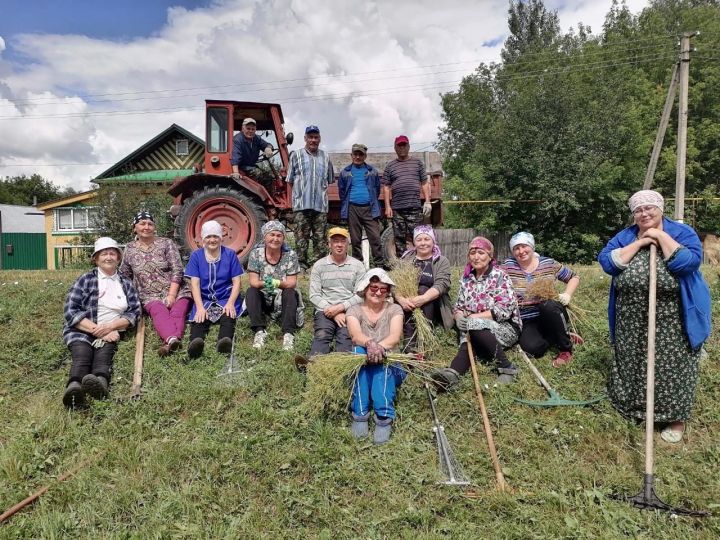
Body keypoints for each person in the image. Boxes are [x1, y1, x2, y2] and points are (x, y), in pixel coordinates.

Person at [598, 190, 711, 444]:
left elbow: (687, 263)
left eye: (649, 208)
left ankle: (675, 419)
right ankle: (637, 409)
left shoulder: (682, 233)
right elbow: (608, 263)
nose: (644, 213)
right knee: (633, 361)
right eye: (638, 210)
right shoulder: (626, 236)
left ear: (661, 209)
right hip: (631, 317)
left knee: (674, 367)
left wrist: (659, 236)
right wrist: (638, 243)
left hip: (674, 317)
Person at [431, 237, 521, 390]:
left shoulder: (499, 275)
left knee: (472, 326)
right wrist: (459, 318)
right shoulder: (467, 279)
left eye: (481, 252)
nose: (476, 256)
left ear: (490, 256)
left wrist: (474, 318)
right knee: (469, 333)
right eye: (472, 253)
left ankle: (508, 368)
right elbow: (459, 307)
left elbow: (505, 309)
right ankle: (453, 374)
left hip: (505, 327)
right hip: (473, 328)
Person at [62, 237, 141, 408]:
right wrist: (97, 329)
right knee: (82, 356)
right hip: (81, 329)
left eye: (112, 253)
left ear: (118, 258)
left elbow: (134, 311)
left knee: (104, 357)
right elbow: (70, 310)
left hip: (111, 331)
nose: (109, 257)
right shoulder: (85, 279)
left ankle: (100, 385)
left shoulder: (125, 283)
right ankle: (74, 389)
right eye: (104, 254)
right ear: (96, 258)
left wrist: (111, 327)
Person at [501, 231, 581, 367]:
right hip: (526, 319)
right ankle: (559, 335)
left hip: (551, 313)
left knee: (548, 305)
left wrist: (567, 294)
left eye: (524, 246)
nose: (521, 251)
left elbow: (574, 277)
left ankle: (565, 348)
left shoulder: (548, 263)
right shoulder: (508, 266)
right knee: (532, 349)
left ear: (532, 246)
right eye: (516, 248)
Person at [120, 211, 192, 357]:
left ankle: (169, 343)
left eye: (150, 224)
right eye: (142, 224)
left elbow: (177, 269)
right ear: (134, 228)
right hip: (149, 294)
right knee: (159, 311)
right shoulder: (129, 249)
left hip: (177, 289)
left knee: (178, 311)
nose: (146, 227)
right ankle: (173, 339)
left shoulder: (166, 243)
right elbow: (125, 276)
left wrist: (172, 295)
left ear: (154, 227)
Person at [346, 269, 405, 444]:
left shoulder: (394, 309)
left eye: (383, 289)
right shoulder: (354, 310)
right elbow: (356, 335)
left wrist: (379, 348)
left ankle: (383, 416)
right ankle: (360, 413)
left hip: (390, 361)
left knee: (383, 362)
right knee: (358, 353)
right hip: (363, 359)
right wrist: (370, 344)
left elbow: (394, 338)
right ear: (365, 288)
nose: (378, 292)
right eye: (373, 288)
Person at [184, 220, 243, 359]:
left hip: (225, 296)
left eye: (215, 236)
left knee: (228, 316)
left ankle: (224, 342)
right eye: (208, 237)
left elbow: (237, 281)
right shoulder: (196, 256)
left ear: (221, 238)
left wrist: (230, 303)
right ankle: (195, 343)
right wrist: (199, 307)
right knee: (200, 318)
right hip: (204, 298)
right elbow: (195, 284)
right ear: (203, 239)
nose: (212, 240)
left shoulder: (230, 254)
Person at [305, 227, 366, 361]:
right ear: (329, 244)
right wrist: (332, 311)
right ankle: (314, 367)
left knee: (345, 337)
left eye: (342, 241)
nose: (339, 244)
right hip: (325, 310)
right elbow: (314, 295)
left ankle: (340, 368)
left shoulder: (357, 266)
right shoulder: (319, 265)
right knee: (322, 334)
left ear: (348, 244)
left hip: (349, 310)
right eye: (335, 241)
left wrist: (341, 308)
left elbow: (360, 295)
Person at [394, 225, 454, 351]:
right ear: (414, 242)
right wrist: (401, 300)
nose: (423, 243)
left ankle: (425, 340)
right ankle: (410, 346)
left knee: (422, 289)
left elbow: (442, 285)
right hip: (408, 304)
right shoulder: (406, 260)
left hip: (432, 304)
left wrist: (422, 298)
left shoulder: (441, 261)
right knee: (413, 294)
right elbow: (395, 285)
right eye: (419, 240)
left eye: (427, 239)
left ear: (433, 241)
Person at [245, 220, 303, 351]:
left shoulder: (290, 255)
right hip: (263, 297)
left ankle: (288, 333)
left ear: (283, 238)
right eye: (272, 235)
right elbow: (254, 282)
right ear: (265, 237)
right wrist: (267, 283)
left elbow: (292, 282)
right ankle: (260, 331)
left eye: (279, 235)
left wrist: (277, 283)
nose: (275, 239)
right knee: (251, 291)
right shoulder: (256, 254)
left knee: (290, 292)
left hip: (282, 298)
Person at [286, 125, 335, 271]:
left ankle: (318, 267)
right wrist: (291, 203)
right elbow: (289, 180)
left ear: (319, 139)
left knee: (320, 239)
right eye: (310, 137)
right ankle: (301, 265)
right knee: (301, 238)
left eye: (316, 137)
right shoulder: (296, 155)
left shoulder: (326, 157)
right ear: (305, 138)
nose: (313, 140)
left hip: (320, 206)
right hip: (301, 204)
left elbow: (330, 179)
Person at [382, 135, 432, 258]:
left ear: (409, 146)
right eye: (399, 145)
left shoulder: (417, 163)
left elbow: (425, 183)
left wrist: (427, 202)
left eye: (404, 145)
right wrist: (388, 207)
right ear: (395, 148)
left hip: (414, 208)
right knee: (399, 239)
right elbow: (386, 187)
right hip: (397, 208)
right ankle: (402, 267)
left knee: (418, 237)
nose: (402, 148)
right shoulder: (390, 166)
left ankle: (421, 263)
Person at [338, 143, 384, 267]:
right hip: (353, 208)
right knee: (355, 239)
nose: (358, 157)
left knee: (375, 238)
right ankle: (358, 266)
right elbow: (342, 192)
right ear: (351, 155)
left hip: (370, 209)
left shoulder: (372, 172)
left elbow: (377, 189)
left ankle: (379, 266)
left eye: (360, 154)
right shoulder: (345, 173)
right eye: (355, 154)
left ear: (365, 156)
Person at [230, 117, 275, 190]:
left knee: (269, 176)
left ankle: (269, 195)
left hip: (251, 166)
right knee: (259, 173)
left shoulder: (257, 138)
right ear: (243, 128)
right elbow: (236, 156)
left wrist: (268, 148)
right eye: (248, 128)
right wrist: (235, 172)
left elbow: (267, 144)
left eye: (253, 129)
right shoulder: (238, 139)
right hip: (242, 167)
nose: (250, 131)